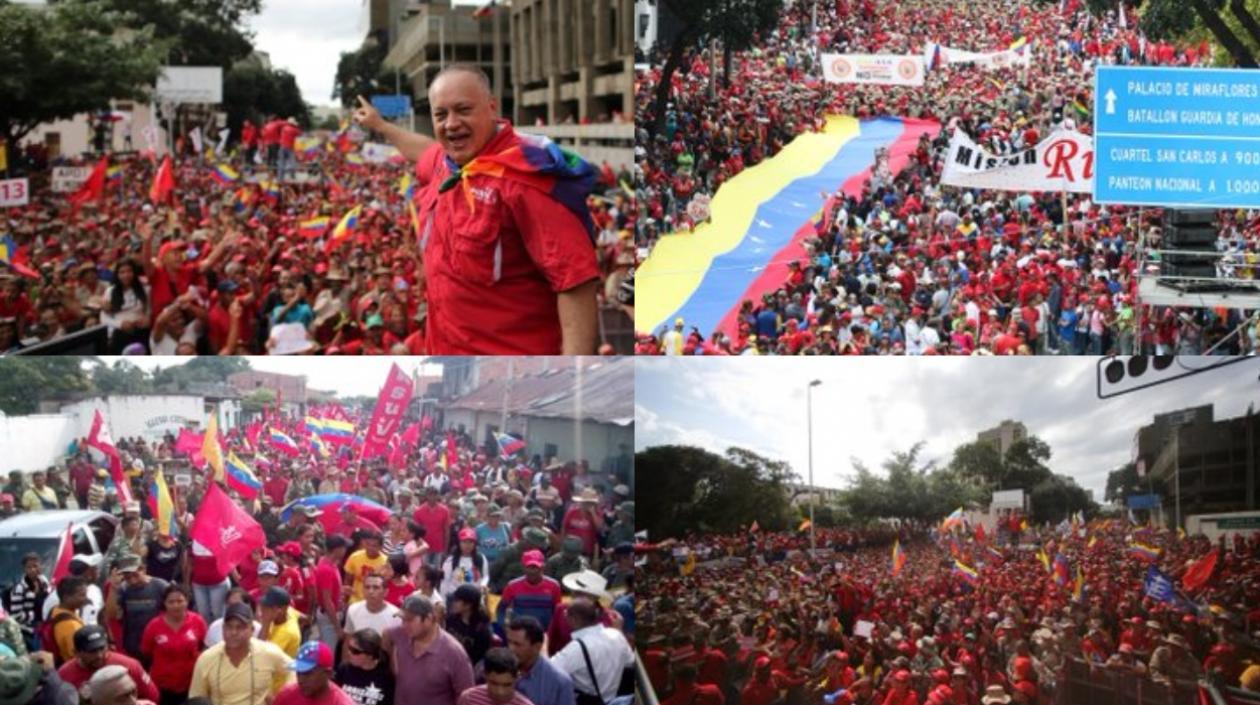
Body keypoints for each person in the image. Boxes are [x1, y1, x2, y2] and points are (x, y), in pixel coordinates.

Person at [352, 65, 600, 354]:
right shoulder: (447, 163)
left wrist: (574, 374)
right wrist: (380, 125)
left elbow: (575, 283)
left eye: (463, 110)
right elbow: (424, 150)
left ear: (492, 107)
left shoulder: (529, 179)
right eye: (440, 115)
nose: (451, 124)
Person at [188, 603, 294, 705]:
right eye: (229, 627)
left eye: (240, 627)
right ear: (223, 629)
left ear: (252, 630)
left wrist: (282, 697)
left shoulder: (268, 652)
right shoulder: (206, 658)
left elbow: (295, 669)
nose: (233, 632)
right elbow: (196, 698)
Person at [381, 595, 474, 705]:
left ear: (429, 619)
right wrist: (390, 665)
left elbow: (466, 695)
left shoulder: (454, 653)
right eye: (402, 619)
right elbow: (387, 634)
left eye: (409, 620)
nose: (404, 625)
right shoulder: (402, 633)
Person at [549, 599, 634, 705]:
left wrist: (543, 646)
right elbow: (630, 662)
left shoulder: (576, 648)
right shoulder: (616, 635)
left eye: (567, 614)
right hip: (613, 699)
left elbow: (549, 671)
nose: (565, 617)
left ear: (575, 619)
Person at [139, 585, 206, 705]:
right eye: (171, 602)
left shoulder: (198, 621)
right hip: (162, 686)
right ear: (164, 603)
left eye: (180, 601)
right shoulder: (154, 625)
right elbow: (146, 652)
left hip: (191, 684)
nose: (176, 605)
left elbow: (203, 647)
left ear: (187, 601)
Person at [58, 625, 159, 703]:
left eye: (102, 648)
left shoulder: (129, 665)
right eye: (92, 651)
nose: (99, 655)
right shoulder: (64, 675)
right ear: (76, 653)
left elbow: (153, 697)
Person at [106, 555, 169, 661]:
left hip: (156, 642)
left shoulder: (160, 586)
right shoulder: (123, 588)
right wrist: (113, 588)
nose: (132, 581)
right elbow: (111, 614)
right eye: (127, 577)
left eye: (135, 575)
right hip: (133, 644)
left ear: (143, 569)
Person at [506, 616, 575, 705]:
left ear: (537, 647)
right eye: (509, 642)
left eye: (517, 644)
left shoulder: (559, 681)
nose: (511, 648)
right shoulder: (497, 667)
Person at [273, 641, 356, 705]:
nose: (301, 680)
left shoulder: (342, 702)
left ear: (328, 674)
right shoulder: (287, 695)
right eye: (298, 673)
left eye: (307, 673)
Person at [498, 550, 562, 630]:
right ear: (523, 567)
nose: (532, 571)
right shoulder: (512, 586)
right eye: (529, 567)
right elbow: (501, 609)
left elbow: (557, 612)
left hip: (545, 632)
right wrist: (505, 627)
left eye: (535, 567)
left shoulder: (554, 586)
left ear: (543, 567)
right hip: (520, 632)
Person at [341, 575, 399, 659]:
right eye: (367, 587)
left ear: (385, 592)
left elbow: (396, 649)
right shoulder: (353, 609)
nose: (371, 591)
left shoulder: (395, 615)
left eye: (376, 588)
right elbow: (347, 641)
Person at [333, 629, 395, 705]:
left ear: (370, 655)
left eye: (355, 651)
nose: (349, 653)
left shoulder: (386, 678)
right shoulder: (343, 670)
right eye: (349, 647)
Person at [456, 648, 534, 705]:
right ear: (484, 675)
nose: (500, 692)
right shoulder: (469, 699)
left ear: (517, 678)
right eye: (494, 683)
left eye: (507, 685)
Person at [445, 584, 491, 672]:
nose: (453, 603)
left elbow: (477, 659)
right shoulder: (451, 619)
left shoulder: (481, 630)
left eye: (456, 601)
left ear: (468, 605)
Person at [314, 535, 348, 653]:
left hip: (332, 614)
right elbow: (327, 600)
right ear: (337, 549)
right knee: (329, 653)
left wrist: (342, 590)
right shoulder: (326, 569)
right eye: (344, 548)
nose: (345, 550)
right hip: (329, 618)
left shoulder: (330, 563)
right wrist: (337, 627)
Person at [10, 553, 51, 650]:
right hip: (28, 632)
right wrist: (34, 617)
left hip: (43, 629)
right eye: (29, 567)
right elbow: (16, 615)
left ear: (41, 566)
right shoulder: (20, 588)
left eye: (35, 566)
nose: (32, 570)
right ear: (24, 569)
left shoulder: (44, 583)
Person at [46, 577, 87, 664]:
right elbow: (78, 658)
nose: (85, 598)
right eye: (82, 595)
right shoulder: (71, 625)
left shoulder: (55, 610)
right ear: (66, 597)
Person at [440, 528, 490, 598]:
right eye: (464, 542)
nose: (467, 545)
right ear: (459, 543)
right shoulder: (451, 560)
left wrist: (483, 585)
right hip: (456, 598)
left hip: (475, 597)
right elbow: (445, 581)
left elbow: (485, 576)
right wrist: (443, 599)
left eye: (471, 542)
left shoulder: (481, 558)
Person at [343, 532, 388, 604]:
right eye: (368, 544)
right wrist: (345, 600)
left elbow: (385, 586)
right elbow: (348, 580)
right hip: (355, 600)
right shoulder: (355, 556)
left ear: (381, 547)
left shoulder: (385, 562)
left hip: (374, 602)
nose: (370, 548)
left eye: (374, 546)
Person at [258, 587, 302, 659]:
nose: (261, 613)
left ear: (280, 610)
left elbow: (259, 653)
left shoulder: (287, 632)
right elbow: (304, 618)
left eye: (267, 608)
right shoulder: (289, 612)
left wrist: (266, 623)